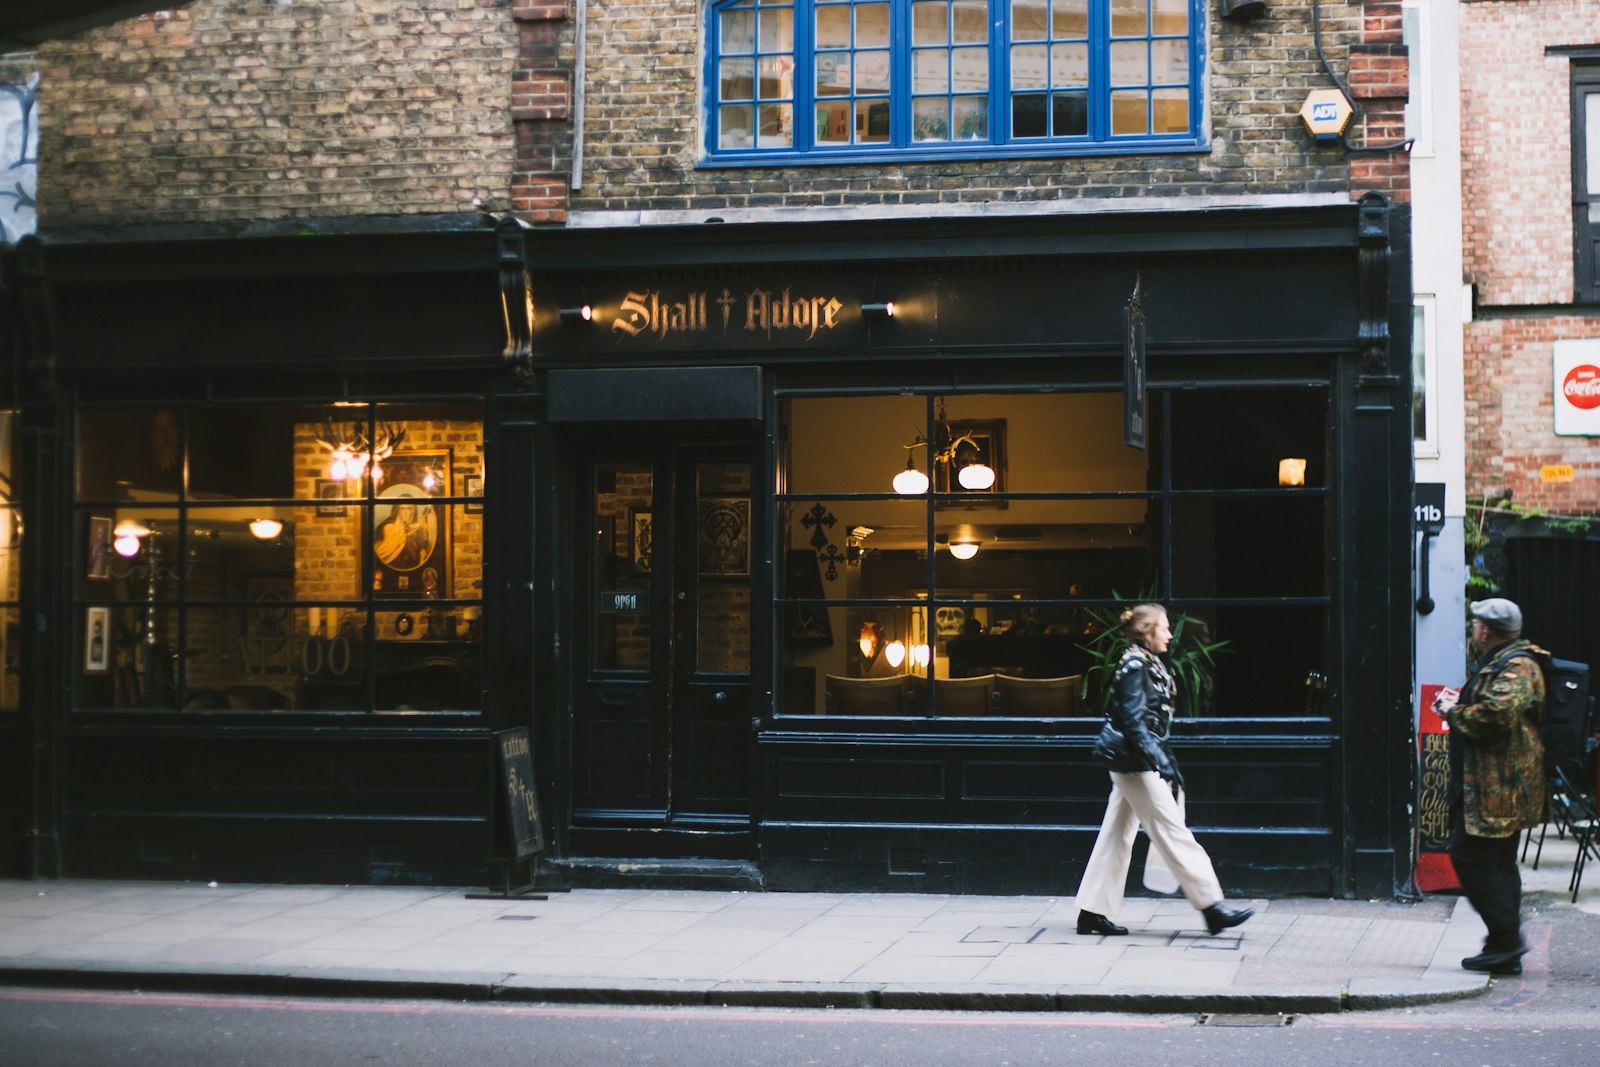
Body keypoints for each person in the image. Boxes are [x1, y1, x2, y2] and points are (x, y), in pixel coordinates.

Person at [1074, 603, 1254, 937]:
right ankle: (1212, 906)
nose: (1170, 634)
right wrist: (1160, 760)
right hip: (1135, 765)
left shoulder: (1144, 663)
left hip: (1134, 761)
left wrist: (1161, 755)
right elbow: (1132, 720)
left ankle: (1091, 912)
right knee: (1173, 831)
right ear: (1148, 632)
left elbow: (1148, 721)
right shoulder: (1135, 666)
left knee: (1116, 835)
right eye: (1164, 628)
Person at [1432, 597, 1547, 976]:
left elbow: (1497, 716)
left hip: (1499, 786)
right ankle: (1503, 946)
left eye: (1477, 623)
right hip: (1490, 782)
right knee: (1496, 860)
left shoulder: (1518, 665)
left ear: (1487, 629)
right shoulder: (1503, 662)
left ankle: (1507, 939)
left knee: (1470, 855)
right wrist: (1458, 704)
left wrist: (1454, 712)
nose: (1473, 629)